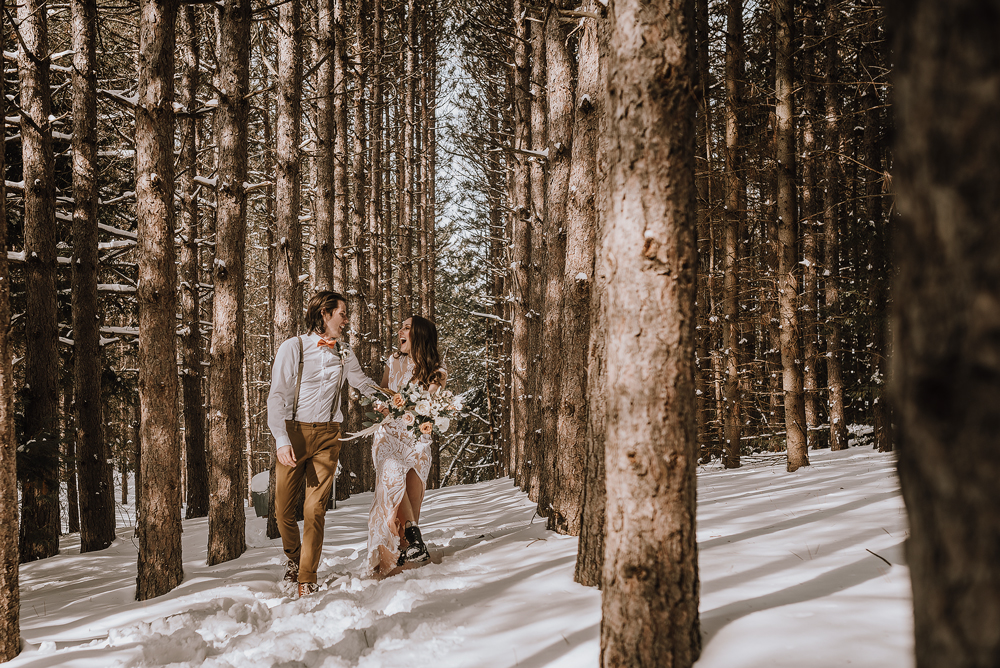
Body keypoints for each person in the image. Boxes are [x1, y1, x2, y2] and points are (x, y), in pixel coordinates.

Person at [266, 291, 383, 597]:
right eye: (342, 314)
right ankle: (295, 560)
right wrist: (281, 439)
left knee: (315, 508)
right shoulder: (293, 347)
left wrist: (390, 400)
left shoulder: (345, 352)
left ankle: (307, 577)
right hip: (293, 433)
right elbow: (277, 396)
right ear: (324, 314)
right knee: (283, 512)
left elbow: (361, 381)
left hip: (329, 435)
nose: (346, 320)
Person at [367, 315, 447, 577]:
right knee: (391, 476)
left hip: (416, 441)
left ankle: (405, 561)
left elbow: (427, 405)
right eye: (399, 325)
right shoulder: (393, 361)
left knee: (409, 503)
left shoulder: (436, 372)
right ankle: (407, 544)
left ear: (420, 335)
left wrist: (404, 405)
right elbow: (382, 391)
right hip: (388, 436)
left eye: (407, 328)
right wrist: (380, 404)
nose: (399, 330)